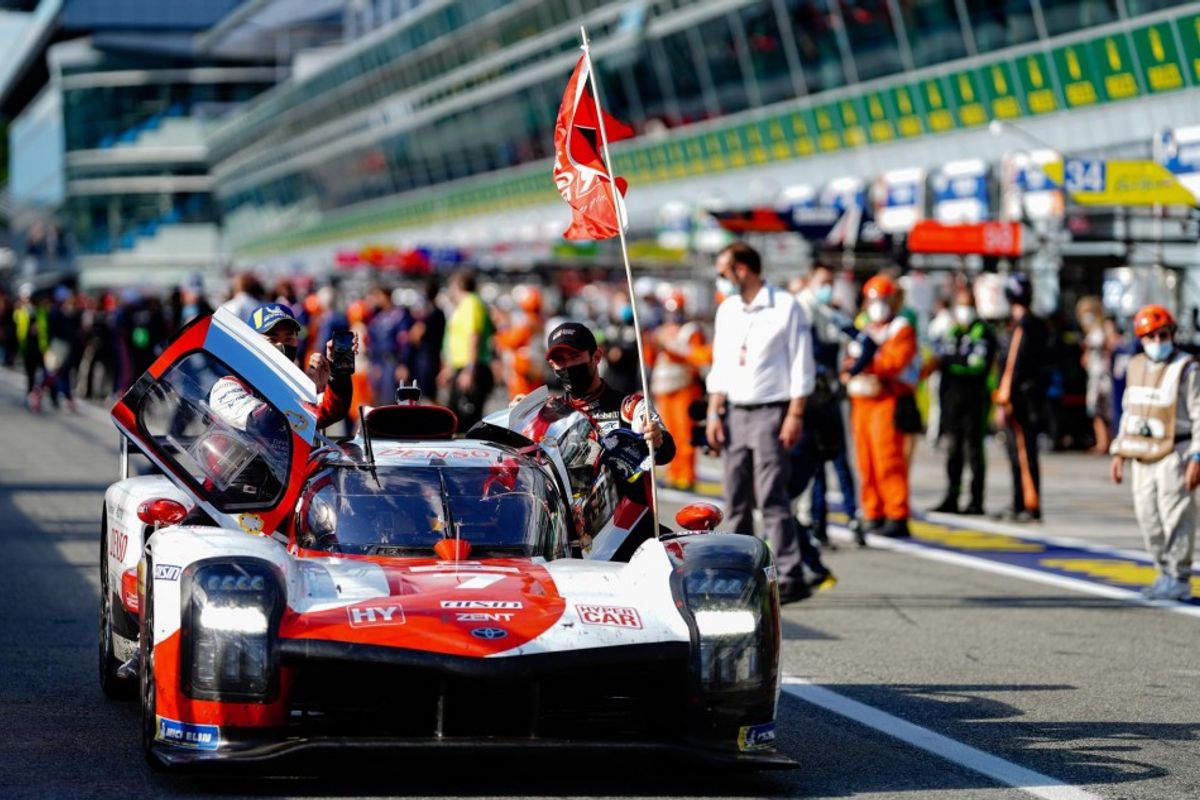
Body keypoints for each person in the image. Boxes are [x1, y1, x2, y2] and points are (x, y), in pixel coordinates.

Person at [705, 242, 816, 603]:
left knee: (771, 496)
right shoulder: (729, 310)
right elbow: (720, 363)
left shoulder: (785, 306)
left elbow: (802, 363)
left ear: (742, 270)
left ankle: (790, 573)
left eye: (724, 271)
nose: (721, 279)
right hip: (735, 410)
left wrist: (795, 413)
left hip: (773, 410)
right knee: (735, 497)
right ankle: (739, 573)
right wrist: (713, 411)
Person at [1110, 305, 1199, 602]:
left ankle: (1179, 576)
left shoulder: (1188, 367)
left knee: (1175, 516)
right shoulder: (1135, 365)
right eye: (1151, 336)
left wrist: (1197, 457)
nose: (1158, 341)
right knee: (1148, 516)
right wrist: (1118, 452)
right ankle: (1163, 571)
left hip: (1176, 450)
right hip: (1141, 451)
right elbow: (1129, 410)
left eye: (1163, 335)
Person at [842, 273, 918, 539]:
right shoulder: (862, 325)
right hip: (861, 401)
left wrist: (865, 364)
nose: (878, 304)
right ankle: (873, 511)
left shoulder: (900, 327)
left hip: (886, 399)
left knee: (888, 459)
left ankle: (897, 513)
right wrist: (851, 368)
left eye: (883, 299)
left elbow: (895, 361)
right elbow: (848, 358)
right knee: (865, 460)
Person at [210, 303, 355, 433]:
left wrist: (337, 374)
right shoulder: (227, 387)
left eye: (288, 339)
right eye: (272, 339)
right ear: (251, 343)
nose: (281, 346)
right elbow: (261, 425)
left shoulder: (292, 388)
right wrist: (302, 390)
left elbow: (332, 411)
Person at [931, 286, 996, 515]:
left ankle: (976, 499)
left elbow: (977, 364)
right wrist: (952, 359)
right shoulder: (953, 330)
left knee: (973, 448)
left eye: (967, 305)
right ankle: (952, 495)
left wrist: (952, 360)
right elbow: (939, 356)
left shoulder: (984, 331)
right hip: (952, 398)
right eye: (960, 305)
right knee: (953, 449)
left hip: (975, 397)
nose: (963, 310)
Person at [994, 273, 1047, 523]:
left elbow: (1012, 365)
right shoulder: (1026, 324)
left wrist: (1003, 399)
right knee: (1017, 453)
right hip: (1026, 397)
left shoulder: (1024, 326)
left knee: (1024, 452)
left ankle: (1029, 503)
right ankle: (1018, 502)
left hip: (1021, 400)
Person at [651, 290, 710, 491]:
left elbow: (701, 357)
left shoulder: (691, 331)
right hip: (664, 389)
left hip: (684, 387)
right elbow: (650, 359)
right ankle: (673, 474)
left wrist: (674, 346)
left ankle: (686, 476)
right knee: (668, 434)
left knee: (685, 434)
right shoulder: (662, 331)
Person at [440, 270, 495, 430]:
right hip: (462, 367)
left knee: (467, 419)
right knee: (455, 415)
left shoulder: (471, 303)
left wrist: (469, 370)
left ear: (458, 286)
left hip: (472, 368)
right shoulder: (463, 306)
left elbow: (474, 336)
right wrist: (450, 368)